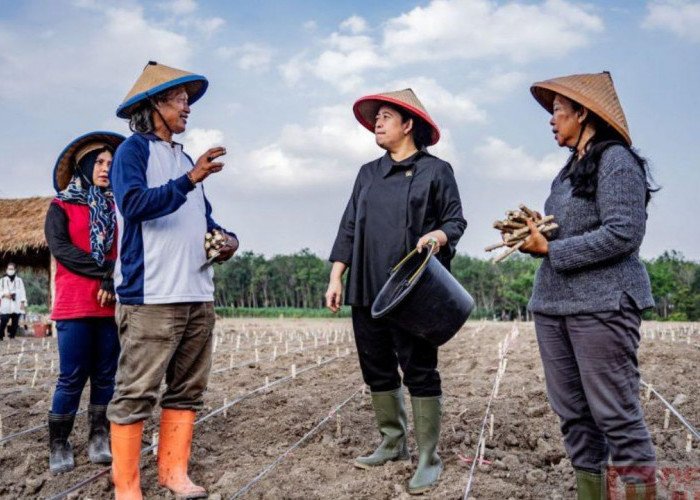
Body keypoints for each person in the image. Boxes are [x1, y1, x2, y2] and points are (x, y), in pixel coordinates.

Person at [521, 72, 658, 499]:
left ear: (583, 113)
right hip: (555, 305)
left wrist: (551, 251)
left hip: (602, 305)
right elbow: (568, 232)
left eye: (558, 111)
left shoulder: (617, 161)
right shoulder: (566, 172)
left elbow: (623, 233)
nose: (551, 120)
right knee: (574, 416)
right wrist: (535, 235)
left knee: (616, 416)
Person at [326, 88, 466, 495]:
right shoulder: (367, 173)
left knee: (419, 369)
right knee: (377, 367)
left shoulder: (437, 171)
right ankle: (392, 442)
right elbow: (349, 226)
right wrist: (337, 276)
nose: (378, 122)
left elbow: (455, 221)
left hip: (414, 289)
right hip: (367, 285)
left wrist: (438, 236)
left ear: (409, 125)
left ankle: (428, 458)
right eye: (376, 117)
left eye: (386, 116)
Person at [108, 61, 238, 500]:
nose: (187, 107)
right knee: (135, 392)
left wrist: (225, 240)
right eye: (179, 99)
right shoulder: (133, 152)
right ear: (153, 105)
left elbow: (201, 218)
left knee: (187, 389)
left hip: (197, 292)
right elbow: (133, 204)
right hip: (152, 294)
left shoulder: (184, 159)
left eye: (187, 99)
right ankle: (127, 487)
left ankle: (173, 474)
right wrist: (189, 179)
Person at [44, 131, 125, 474]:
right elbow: (63, 251)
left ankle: (98, 437)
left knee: (106, 376)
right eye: (100, 162)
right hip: (74, 304)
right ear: (84, 165)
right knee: (72, 376)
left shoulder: (115, 208)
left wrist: (112, 278)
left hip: (107, 304)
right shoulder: (60, 205)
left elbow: (122, 254)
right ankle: (59, 443)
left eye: (110, 163)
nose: (106, 168)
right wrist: (106, 270)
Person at [0, 263, 26, 340]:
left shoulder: (19, 280)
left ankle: (12, 337)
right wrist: (4, 295)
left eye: (12, 269)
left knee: (15, 322)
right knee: (4, 321)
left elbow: (22, 291)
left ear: (15, 270)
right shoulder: (2, 280)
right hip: (6, 303)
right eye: (9, 269)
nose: (10, 270)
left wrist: (23, 302)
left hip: (16, 303)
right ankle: (0, 336)